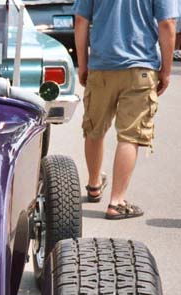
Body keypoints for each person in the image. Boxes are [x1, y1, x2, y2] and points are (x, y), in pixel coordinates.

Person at [74, 0, 178, 219]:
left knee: (94, 128)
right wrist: (166, 71)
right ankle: (117, 201)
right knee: (130, 135)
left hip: (101, 65)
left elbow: (81, 20)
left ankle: (94, 184)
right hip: (140, 66)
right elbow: (167, 23)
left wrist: (83, 64)